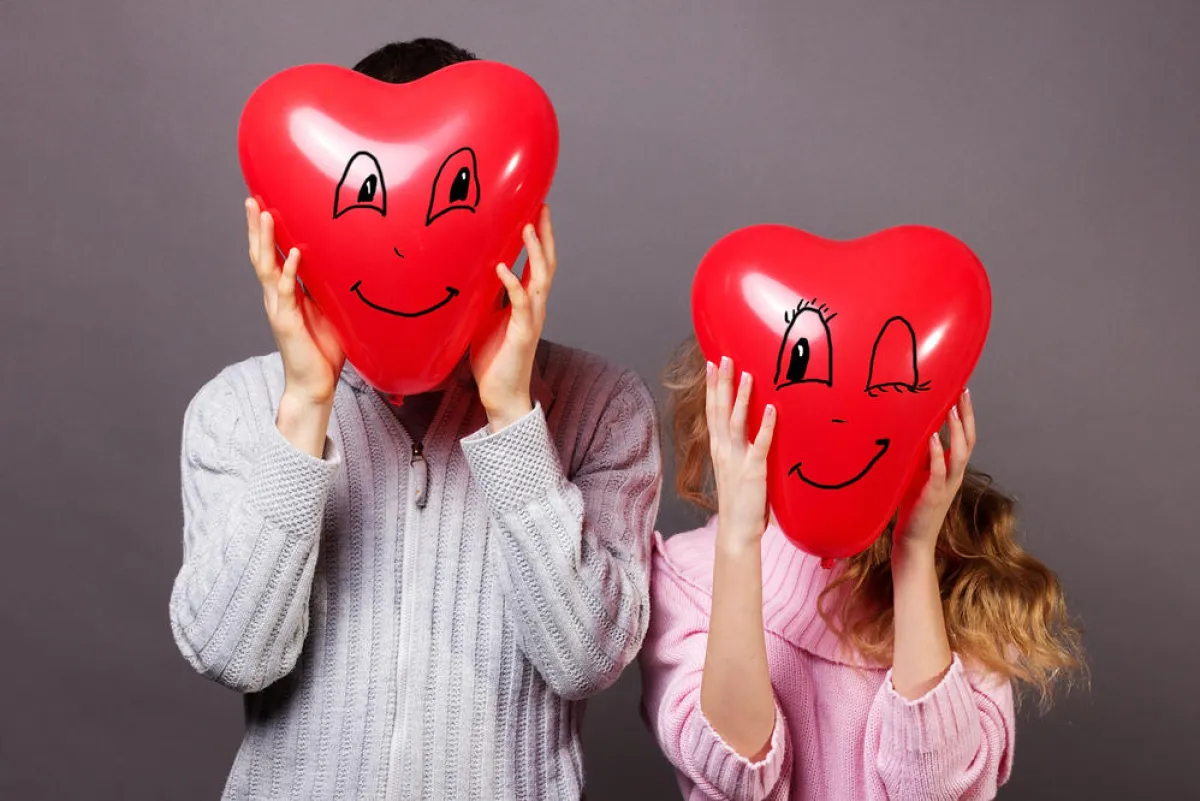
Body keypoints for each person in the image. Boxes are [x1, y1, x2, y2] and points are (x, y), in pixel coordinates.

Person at [169, 38, 662, 800]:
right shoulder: (234, 408)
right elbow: (232, 652)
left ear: (515, 220)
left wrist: (512, 416)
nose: (404, 246)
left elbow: (586, 659)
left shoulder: (603, 406)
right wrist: (305, 406)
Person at [640, 343, 1084, 800]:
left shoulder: (962, 581)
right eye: (802, 365)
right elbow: (738, 785)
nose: (836, 417)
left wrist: (914, 554)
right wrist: (738, 539)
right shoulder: (685, 578)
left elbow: (935, 791)